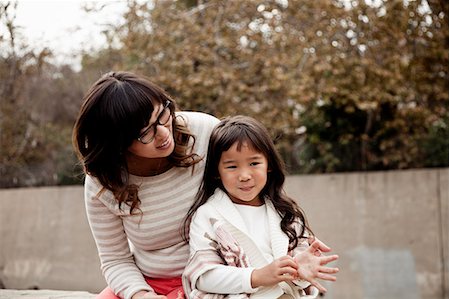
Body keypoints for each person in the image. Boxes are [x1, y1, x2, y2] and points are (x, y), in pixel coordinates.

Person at [72, 71, 220, 299]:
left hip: (217, 274)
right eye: (145, 132)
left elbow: (262, 193)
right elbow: (115, 259)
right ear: (117, 143)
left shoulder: (205, 131)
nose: (163, 133)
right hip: (150, 282)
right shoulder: (103, 182)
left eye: (162, 114)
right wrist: (142, 295)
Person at [182, 115, 339, 299]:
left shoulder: (285, 212)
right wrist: (256, 277)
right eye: (232, 166)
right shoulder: (208, 215)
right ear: (217, 172)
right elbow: (203, 277)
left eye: (254, 163)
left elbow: (300, 279)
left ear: (269, 165)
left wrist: (300, 271)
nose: (245, 175)